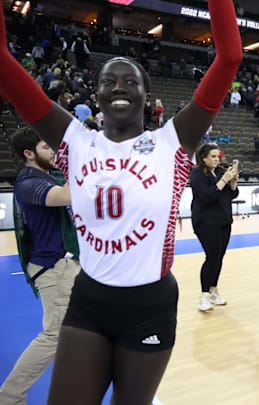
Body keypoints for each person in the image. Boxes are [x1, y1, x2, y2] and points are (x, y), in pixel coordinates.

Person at [0, 0, 244, 402]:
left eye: (130, 82)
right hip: (89, 301)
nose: (118, 87)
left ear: (147, 95)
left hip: (150, 305)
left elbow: (230, 57)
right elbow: (4, 64)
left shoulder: (172, 142)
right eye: (108, 81)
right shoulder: (74, 141)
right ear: (95, 94)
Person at [0, 128, 81, 405]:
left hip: (66, 264)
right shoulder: (29, 183)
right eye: (47, 147)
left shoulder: (45, 177)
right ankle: (10, 397)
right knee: (53, 335)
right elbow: (66, 196)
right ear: (28, 154)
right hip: (54, 268)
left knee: (84, 325)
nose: (54, 153)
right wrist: (76, 164)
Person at [190, 143, 239, 312]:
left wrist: (232, 183)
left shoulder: (220, 172)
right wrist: (224, 180)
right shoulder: (197, 174)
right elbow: (205, 197)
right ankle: (203, 296)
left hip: (224, 220)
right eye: (213, 156)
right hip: (205, 222)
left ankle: (213, 290)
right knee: (212, 256)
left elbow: (230, 195)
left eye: (218, 157)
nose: (217, 160)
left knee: (219, 257)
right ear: (204, 158)